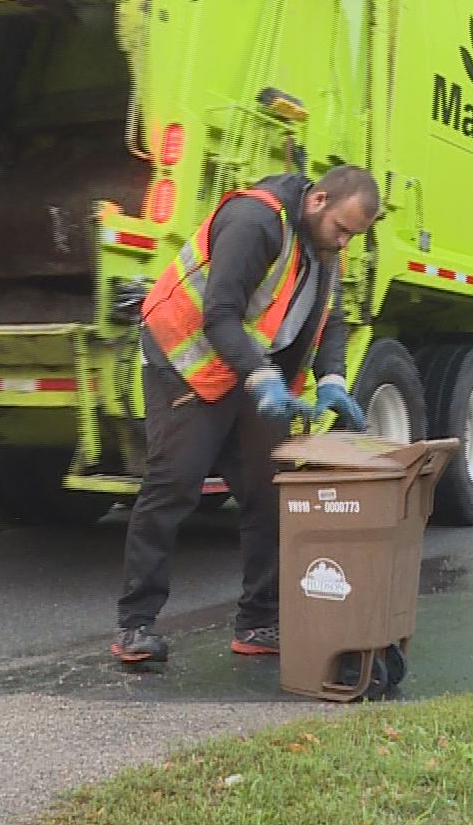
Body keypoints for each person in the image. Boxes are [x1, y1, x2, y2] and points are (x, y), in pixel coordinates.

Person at [113, 165, 382, 664]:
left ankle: (258, 623)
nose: (345, 242)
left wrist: (332, 379)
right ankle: (136, 625)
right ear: (318, 201)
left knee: (271, 491)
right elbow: (219, 314)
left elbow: (330, 318)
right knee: (174, 486)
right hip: (188, 365)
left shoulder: (323, 244)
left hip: (253, 371)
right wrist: (261, 375)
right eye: (343, 229)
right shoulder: (254, 221)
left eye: (353, 236)